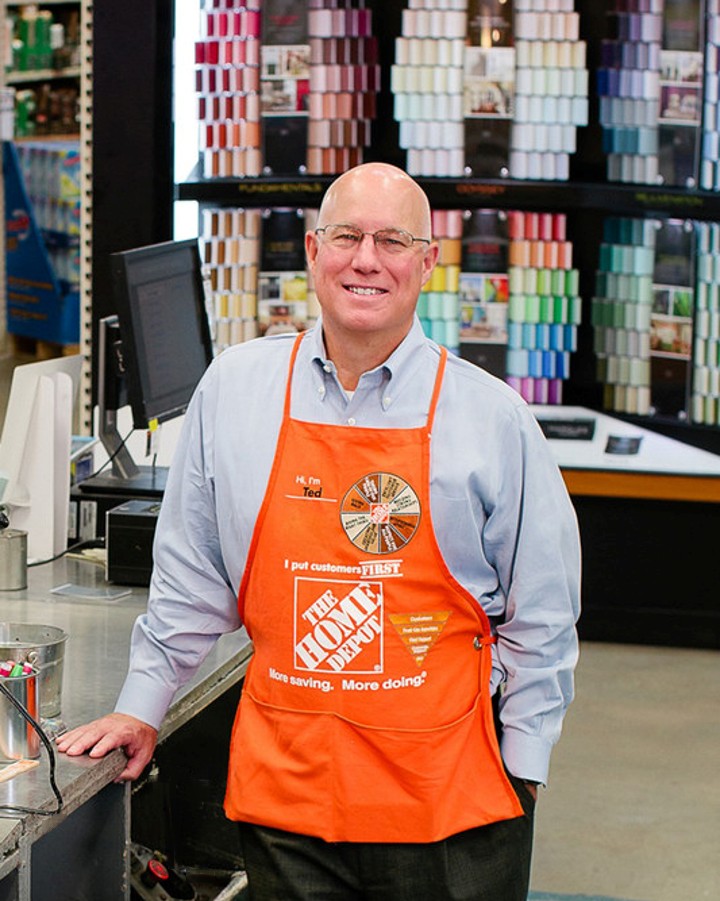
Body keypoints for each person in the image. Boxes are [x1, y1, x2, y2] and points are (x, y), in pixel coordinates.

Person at [58, 162, 580, 900]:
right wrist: (142, 705)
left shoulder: (491, 418)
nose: (367, 259)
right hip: (290, 803)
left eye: (393, 240)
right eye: (346, 236)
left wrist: (523, 771)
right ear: (311, 250)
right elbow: (190, 577)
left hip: (448, 803)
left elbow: (545, 614)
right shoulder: (236, 391)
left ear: (427, 262)